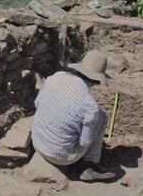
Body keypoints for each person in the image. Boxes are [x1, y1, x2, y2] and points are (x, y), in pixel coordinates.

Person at [31, 50, 116, 182]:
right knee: (102, 116)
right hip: (61, 157)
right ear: (96, 80)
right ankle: (89, 166)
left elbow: (37, 103)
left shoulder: (55, 77)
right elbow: (85, 142)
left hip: (37, 142)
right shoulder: (89, 106)